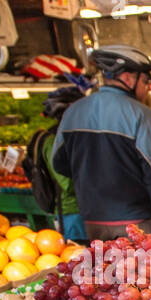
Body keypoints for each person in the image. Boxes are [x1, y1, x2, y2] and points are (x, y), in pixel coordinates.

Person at [52, 45, 151, 241]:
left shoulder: (73, 112)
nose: (146, 88)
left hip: (93, 223)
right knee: (147, 272)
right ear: (127, 78)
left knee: (105, 271)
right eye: (145, 81)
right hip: (139, 224)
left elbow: (58, 163)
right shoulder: (142, 116)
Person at [28, 85, 87, 241]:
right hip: (72, 212)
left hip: (87, 210)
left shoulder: (74, 137)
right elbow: (66, 182)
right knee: (80, 257)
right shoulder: (53, 140)